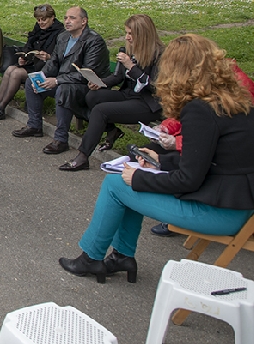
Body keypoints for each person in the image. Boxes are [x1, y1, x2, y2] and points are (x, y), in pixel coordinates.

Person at [58, 34, 254, 284]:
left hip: (218, 213)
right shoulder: (233, 99)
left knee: (116, 185)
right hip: (238, 205)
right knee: (128, 182)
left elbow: (189, 180)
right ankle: (121, 257)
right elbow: (211, 160)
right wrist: (161, 162)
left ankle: (91, 258)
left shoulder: (200, 110)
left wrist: (140, 178)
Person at [59, 14, 164, 172]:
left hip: (147, 102)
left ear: (142, 35)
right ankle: (112, 131)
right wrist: (100, 83)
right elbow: (118, 77)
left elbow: (155, 87)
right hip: (128, 94)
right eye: (126, 33)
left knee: (101, 111)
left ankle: (82, 156)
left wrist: (132, 67)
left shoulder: (159, 55)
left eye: (130, 34)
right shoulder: (129, 49)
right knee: (92, 96)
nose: (127, 38)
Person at [12, 6, 109, 155]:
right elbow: (54, 62)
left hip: (86, 87)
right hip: (64, 81)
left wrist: (57, 81)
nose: (67, 21)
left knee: (64, 90)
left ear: (84, 21)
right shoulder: (63, 37)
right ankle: (34, 126)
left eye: (72, 18)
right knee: (32, 83)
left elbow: (87, 74)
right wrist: (41, 77)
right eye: (65, 18)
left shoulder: (94, 41)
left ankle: (61, 139)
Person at [0, 4, 64, 121]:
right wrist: (24, 57)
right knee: (10, 69)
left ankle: (1, 107)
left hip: (48, 69)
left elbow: (59, 57)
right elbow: (29, 45)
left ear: (52, 18)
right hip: (34, 64)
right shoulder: (38, 28)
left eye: (44, 19)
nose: (41, 22)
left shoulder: (61, 33)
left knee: (16, 74)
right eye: (38, 20)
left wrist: (48, 57)